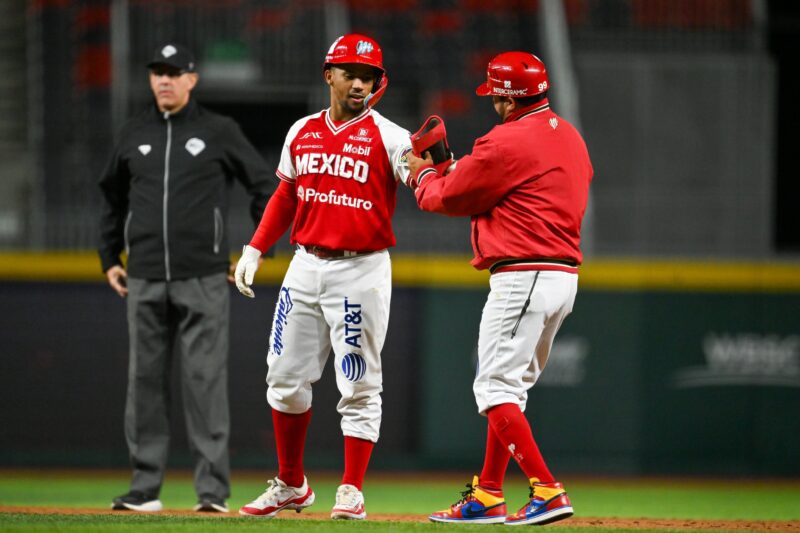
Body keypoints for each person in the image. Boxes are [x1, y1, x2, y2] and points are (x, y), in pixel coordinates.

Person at [406, 51, 593, 526]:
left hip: (523, 274)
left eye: (495, 95)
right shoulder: (569, 136)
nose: (493, 103)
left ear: (508, 99)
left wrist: (423, 171)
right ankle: (488, 493)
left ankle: (547, 490)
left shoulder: (506, 140)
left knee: (492, 388)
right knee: (510, 390)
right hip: (561, 277)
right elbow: (499, 185)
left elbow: (444, 198)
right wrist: (451, 166)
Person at [232, 33, 411, 521]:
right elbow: (286, 194)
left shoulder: (391, 136)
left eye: (368, 76)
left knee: (357, 382)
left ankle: (351, 489)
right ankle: (292, 483)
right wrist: (255, 246)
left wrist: (435, 167)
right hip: (305, 265)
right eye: (350, 73)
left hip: (362, 267)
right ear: (328, 74)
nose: (359, 83)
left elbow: (421, 177)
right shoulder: (303, 130)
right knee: (284, 379)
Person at [98, 43, 276, 513]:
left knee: (205, 384)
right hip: (146, 276)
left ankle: (212, 493)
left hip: (203, 277)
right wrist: (107, 256)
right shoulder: (133, 131)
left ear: (192, 79)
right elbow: (111, 198)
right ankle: (144, 489)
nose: (164, 80)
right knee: (144, 383)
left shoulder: (219, 131)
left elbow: (266, 187)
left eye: (174, 72)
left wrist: (256, 251)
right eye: (157, 71)